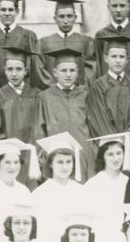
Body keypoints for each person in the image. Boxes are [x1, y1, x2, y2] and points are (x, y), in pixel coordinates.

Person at [34, 47, 95, 180]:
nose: (68, 75)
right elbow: (39, 129)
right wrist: (41, 158)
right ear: (55, 72)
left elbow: (93, 126)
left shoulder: (86, 95)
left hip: (82, 154)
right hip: (54, 155)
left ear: (78, 72)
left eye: (72, 70)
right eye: (63, 70)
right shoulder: (45, 97)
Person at [0, 46, 42, 188]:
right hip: (9, 157)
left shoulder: (38, 95)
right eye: (10, 69)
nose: (14, 73)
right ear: (4, 70)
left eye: (18, 69)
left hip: (33, 155)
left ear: (26, 71)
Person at [86, 35, 130, 164]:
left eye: (122, 57)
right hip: (109, 152)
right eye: (114, 56)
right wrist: (116, 148)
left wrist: (127, 146)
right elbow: (98, 119)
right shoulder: (97, 86)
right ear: (105, 58)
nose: (118, 61)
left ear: (128, 59)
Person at [32, 132, 88, 239]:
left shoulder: (81, 191)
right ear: (50, 164)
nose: (65, 167)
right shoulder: (39, 194)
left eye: (68, 162)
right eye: (60, 162)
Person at [34, 0, 97, 89]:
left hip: (79, 96)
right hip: (53, 96)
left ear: (75, 18)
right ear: (55, 18)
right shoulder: (44, 43)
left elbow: (91, 70)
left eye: (69, 16)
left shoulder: (87, 42)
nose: (66, 20)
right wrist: (54, 89)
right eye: (61, 16)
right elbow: (39, 70)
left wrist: (80, 90)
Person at [84, 133, 130, 242]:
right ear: (102, 157)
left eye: (119, 153)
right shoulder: (92, 184)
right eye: (110, 154)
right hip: (100, 240)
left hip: (125, 240)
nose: (116, 158)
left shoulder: (129, 183)